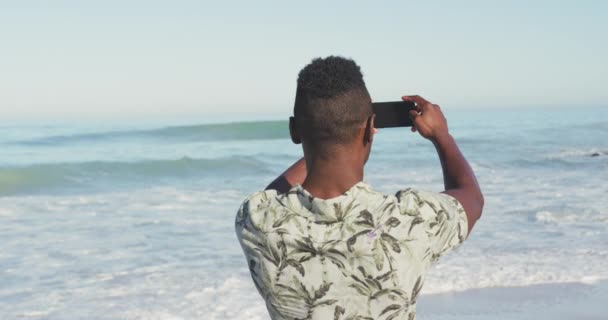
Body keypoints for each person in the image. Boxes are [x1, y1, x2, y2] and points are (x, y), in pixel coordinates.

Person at [235, 56, 483, 320]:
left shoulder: (257, 220)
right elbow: (471, 197)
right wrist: (441, 135)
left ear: (294, 131)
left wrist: (323, 136)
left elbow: (272, 195)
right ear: (369, 129)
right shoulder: (409, 221)